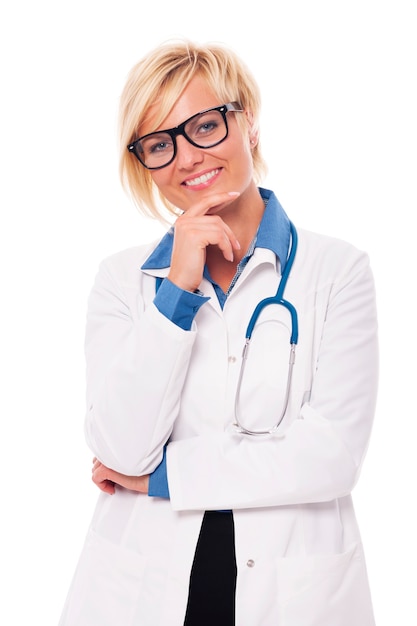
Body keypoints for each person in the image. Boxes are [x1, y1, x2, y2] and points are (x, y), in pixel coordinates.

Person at [58, 39, 379, 626]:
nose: (186, 157)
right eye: (160, 144)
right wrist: (177, 289)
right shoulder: (122, 282)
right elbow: (119, 448)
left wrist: (160, 479)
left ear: (248, 123)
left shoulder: (337, 271)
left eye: (204, 125)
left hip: (293, 595)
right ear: (145, 164)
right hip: (138, 593)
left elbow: (330, 456)